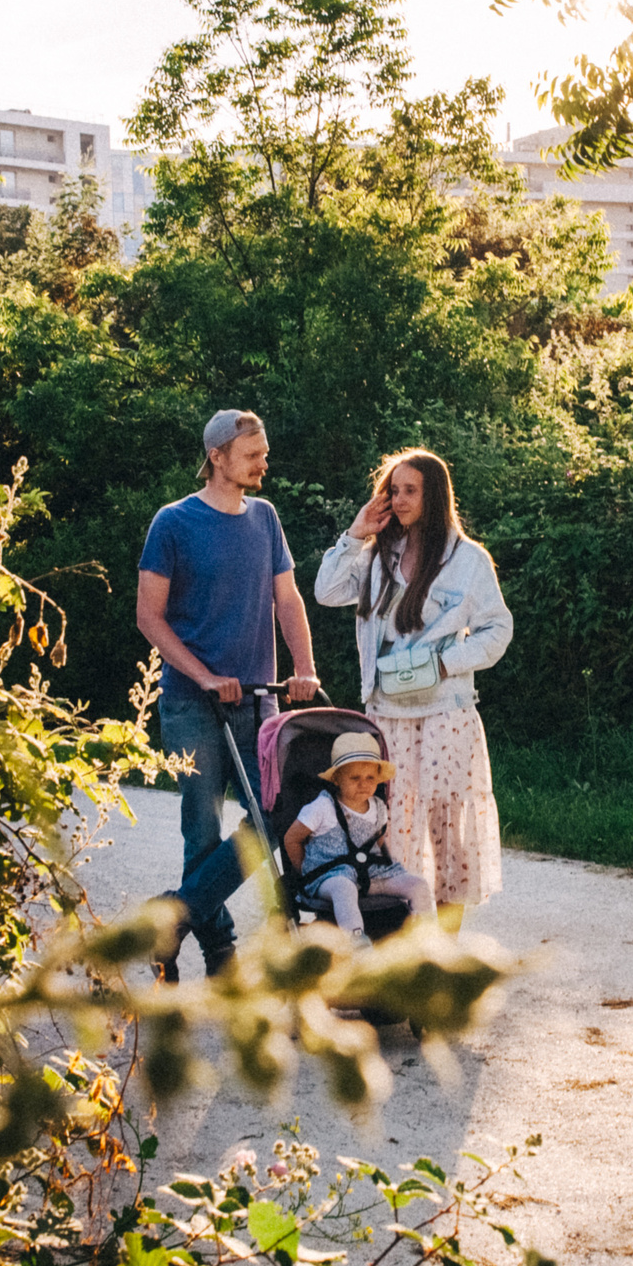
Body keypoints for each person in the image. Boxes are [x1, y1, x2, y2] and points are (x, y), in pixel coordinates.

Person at [136, 409, 320, 979]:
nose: (264, 463)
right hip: (193, 703)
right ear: (217, 457)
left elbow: (287, 600)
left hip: (260, 702)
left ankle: (176, 914)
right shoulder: (173, 524)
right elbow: (150, 617)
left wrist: (304, 667)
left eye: (263, 452)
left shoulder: (266, 519)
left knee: (270, 817)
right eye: (252, 455)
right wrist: (205, 676)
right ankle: (221, 954)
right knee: (201, 829)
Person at [313, 447, 512, 931]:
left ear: (434, 495)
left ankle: (441, 964)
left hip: (446, 713)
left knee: (448, 841)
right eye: (392, 490)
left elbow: (497, 629)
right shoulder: (378, 554)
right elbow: (325, 592)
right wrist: (357, 533)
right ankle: (399, 955)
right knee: (391, 836)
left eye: (409, 491)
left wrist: (446, 663)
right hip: (387, 714)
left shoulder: (467, 561)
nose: (398, 500)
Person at [282, 731, 434, 946]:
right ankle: (356, 943)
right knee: (345, 888)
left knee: (417, 884)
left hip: (370, 874)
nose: (363, 784)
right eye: (355, 778)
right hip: (331, 877)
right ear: (337, 779)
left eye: (370, 778)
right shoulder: (322, 807)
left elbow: (379, 842)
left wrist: (390, 866)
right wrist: (306, 872)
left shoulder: (379, 808)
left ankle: (426, 938)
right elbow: (292, 839)